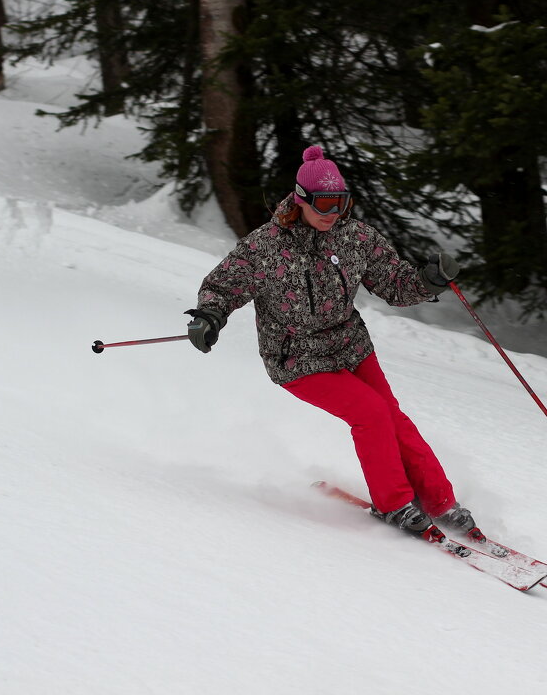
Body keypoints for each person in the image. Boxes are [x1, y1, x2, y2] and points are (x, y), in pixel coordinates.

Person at [185, 145, 480, 544]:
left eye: (338, 203)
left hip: (350, 345)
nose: (330, 212)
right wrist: (209, 315)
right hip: (295, 358)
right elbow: (223, 285)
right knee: (371, 414)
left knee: (393, 416)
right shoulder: (267, 246)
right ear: (301, 200)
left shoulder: (357, 237)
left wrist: (427, 282)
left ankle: (440, 503)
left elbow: (395, 286)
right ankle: (394, 503)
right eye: (322, 203)